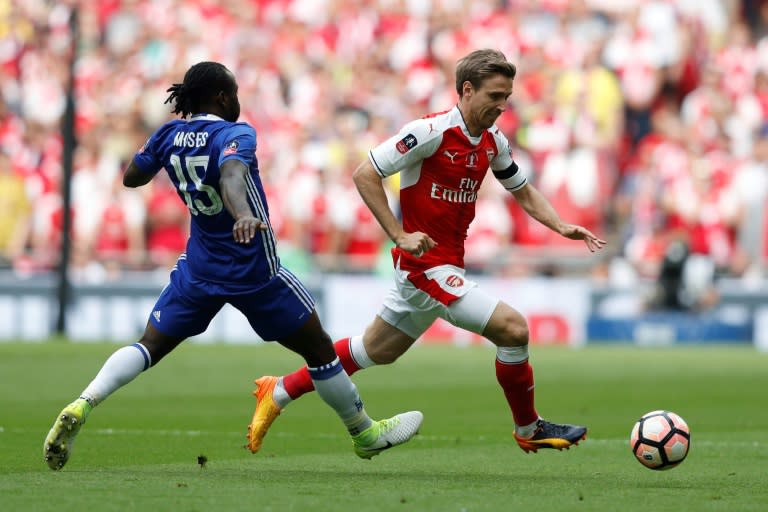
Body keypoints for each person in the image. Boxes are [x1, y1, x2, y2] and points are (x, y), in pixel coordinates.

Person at [43, 62, 423, 471]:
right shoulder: (236, 133)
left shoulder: (169, 133)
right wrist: (242, 213)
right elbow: (232, 174)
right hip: (254, 271)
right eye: (236, 92)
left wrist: (158, 148)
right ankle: (364, 432)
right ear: (223, 97)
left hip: (199, 270)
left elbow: (133, 178)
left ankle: (84, 402)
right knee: (320, 351)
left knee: (148, 345)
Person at [246, 49, 606, 455]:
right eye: (495, 95)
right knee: (514, 329)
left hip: (443, 263)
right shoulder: (430, 132)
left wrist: (561, 226)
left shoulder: (493, 141)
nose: (503, 105)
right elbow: (366, 173)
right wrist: (398, 234)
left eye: (507, 96)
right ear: (467, 90)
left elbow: (521, 189)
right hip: (425, 266)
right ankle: (529, 426)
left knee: (375, 350)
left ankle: (279, 391)